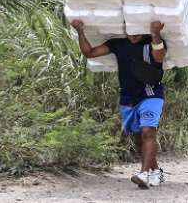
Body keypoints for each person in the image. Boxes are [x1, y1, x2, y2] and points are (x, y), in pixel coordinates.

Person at [70, 20, 167, 189]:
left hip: (151, 94)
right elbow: (90, 53)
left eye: (138, 31)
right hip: (128, 97)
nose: (134, 35)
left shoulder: (153, 42)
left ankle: (143, 174)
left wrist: (156, 33)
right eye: (131, 31)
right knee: (138, 139)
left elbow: (160, 57)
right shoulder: (118, 44)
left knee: (147, 132)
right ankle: (156, 172)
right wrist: (80, 30)